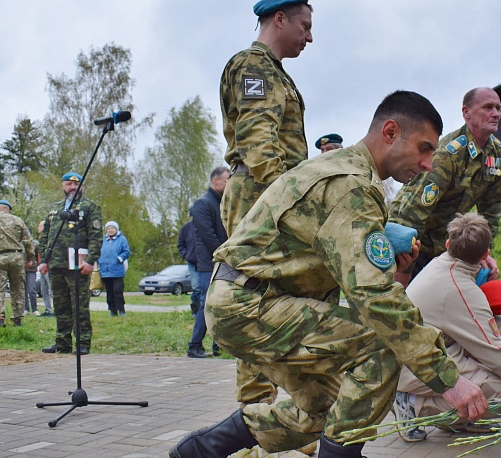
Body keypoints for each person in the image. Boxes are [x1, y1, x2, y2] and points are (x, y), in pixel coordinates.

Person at [169, 90, 488, 458]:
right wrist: (448, 380)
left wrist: (384, 267)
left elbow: (340, 265)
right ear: (390, 132)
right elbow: (374, 300)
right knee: (383, 346)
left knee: (330, 405)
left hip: (249, 299)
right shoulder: (350, 185)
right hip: (248, 304)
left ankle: (200, 450)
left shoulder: (348, 175)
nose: (429, 163)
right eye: (424, 148)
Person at [219, 0, 314, 418]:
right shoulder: (254, 66)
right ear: (279, 18)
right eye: (304, 25)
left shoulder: (275, 72)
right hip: (263, 195)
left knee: (281, 300)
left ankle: (291, 417)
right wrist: (290, 204)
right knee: (254, 302)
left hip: (270, 193)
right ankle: (254, 423)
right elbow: (260, 147)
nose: (310, 36)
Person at [394, 213, 501, 441]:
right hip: (413, 368)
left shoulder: (440, 264)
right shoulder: (461, 290)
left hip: (415, 351)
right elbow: (495, 352)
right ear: (486, 254)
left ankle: (458, 417)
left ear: (448, 244)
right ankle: (414, 405)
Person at [389, 87, 501, 286]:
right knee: (409, 307)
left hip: (448, 246)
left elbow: (491, 212)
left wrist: (483, 253)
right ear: (466, 112)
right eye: (488, 107)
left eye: (498, 108)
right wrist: (403, 270)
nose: (495, 114)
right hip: (417, 243)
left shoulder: (497, 153)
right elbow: (413, 213)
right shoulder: (448, 154)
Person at [40, 172, 103, 355]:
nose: (72, 188)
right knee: (60, 305)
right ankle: (62, 342)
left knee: (79, 305)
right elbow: (46, 236)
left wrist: (91, 260)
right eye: (69, 184)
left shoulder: (89, 207)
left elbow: (95, 237)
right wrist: (44, 260)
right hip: (56, 264)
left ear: (81, 187)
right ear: (62, 186)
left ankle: (83, 342)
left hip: (77, 264)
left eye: (76, 185)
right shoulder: (54, 208)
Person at [187, 166, 229, 359]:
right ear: (215, 181)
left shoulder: (221, 202)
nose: (229, 185)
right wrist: (227, 253)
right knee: (206, 305)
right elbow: (208, 236)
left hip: (219, 260)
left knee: (220, 304)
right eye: (227, 181)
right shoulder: (202, 204)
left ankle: (217, 346)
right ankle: (194, 345)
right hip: (208, 263)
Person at [98, 221, 130, 317]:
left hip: (117, 270)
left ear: (116, 229)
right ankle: (112, 310)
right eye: (108, 228)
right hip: (105, 270)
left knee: (117, 291)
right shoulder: (103, 240)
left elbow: (126, 251)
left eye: (112, 228)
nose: (110, 230)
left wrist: (119, 258)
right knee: (109, 292)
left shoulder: (122, 239)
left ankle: (121, 310)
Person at [177, 217, 201, 317]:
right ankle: (195, 311)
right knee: (196, 287)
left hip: (206, 262)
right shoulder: (186, 228)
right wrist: (186, 255)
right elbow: (180, 244)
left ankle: (205, 312)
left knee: (206, 287)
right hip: (192, 262)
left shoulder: (206, 225)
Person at [36, 221, 54, 317]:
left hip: (47, 266)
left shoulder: (48, 238)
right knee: (43, 290)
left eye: (40, 225)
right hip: (40, 267)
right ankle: (48, 310)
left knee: (52, 289)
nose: (38, 227)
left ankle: (57, 310)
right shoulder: (39, 239)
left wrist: (45, 264)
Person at [24, 232, 41, 317]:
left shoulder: (35, 243)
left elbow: (38, 255)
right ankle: (25, 309)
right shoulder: (19, 243)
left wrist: (39, 265)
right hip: (21, 268)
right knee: (23, 290)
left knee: (31, 289)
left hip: (32, 269)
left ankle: (35, 309)